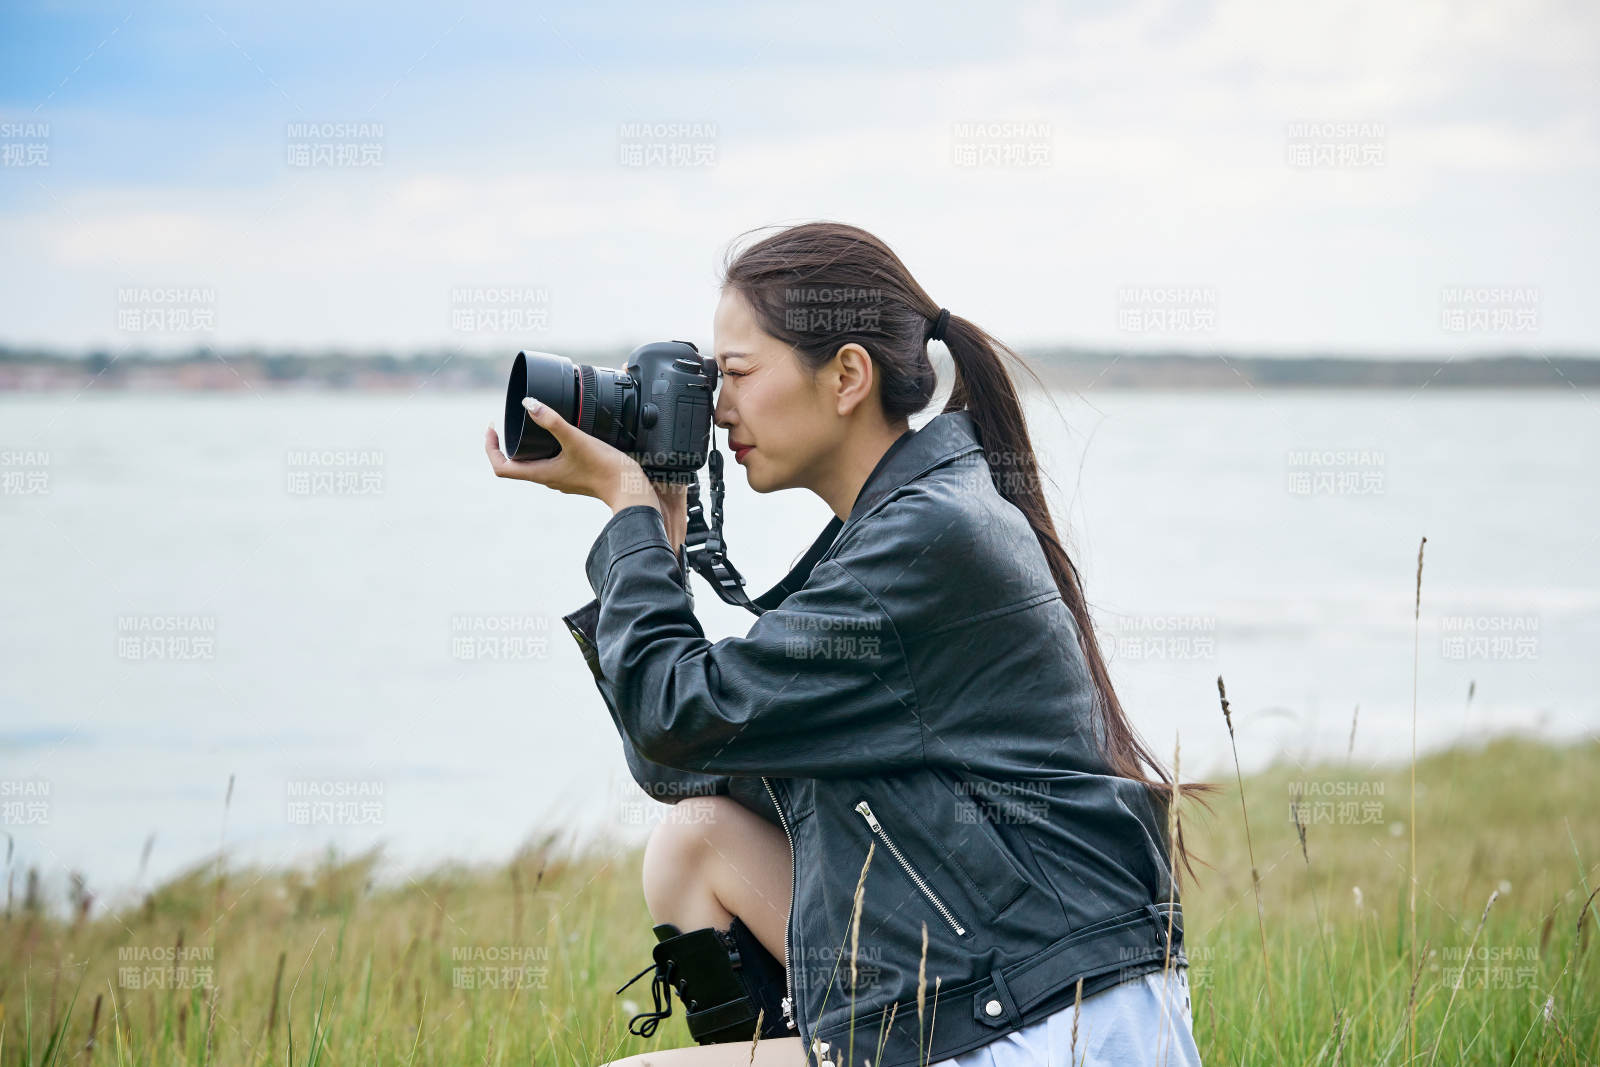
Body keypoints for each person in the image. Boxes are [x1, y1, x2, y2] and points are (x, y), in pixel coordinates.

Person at [484, 221, 1210, 1067]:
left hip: (1053, 1018)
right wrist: (663, 542)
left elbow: (674, 717)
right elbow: (681, 756)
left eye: (740, 374)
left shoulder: (928, 540)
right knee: (695, 841)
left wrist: (630, 517)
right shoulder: (905, 526)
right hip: (993, 975)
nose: (718, 407)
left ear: (847, 376)